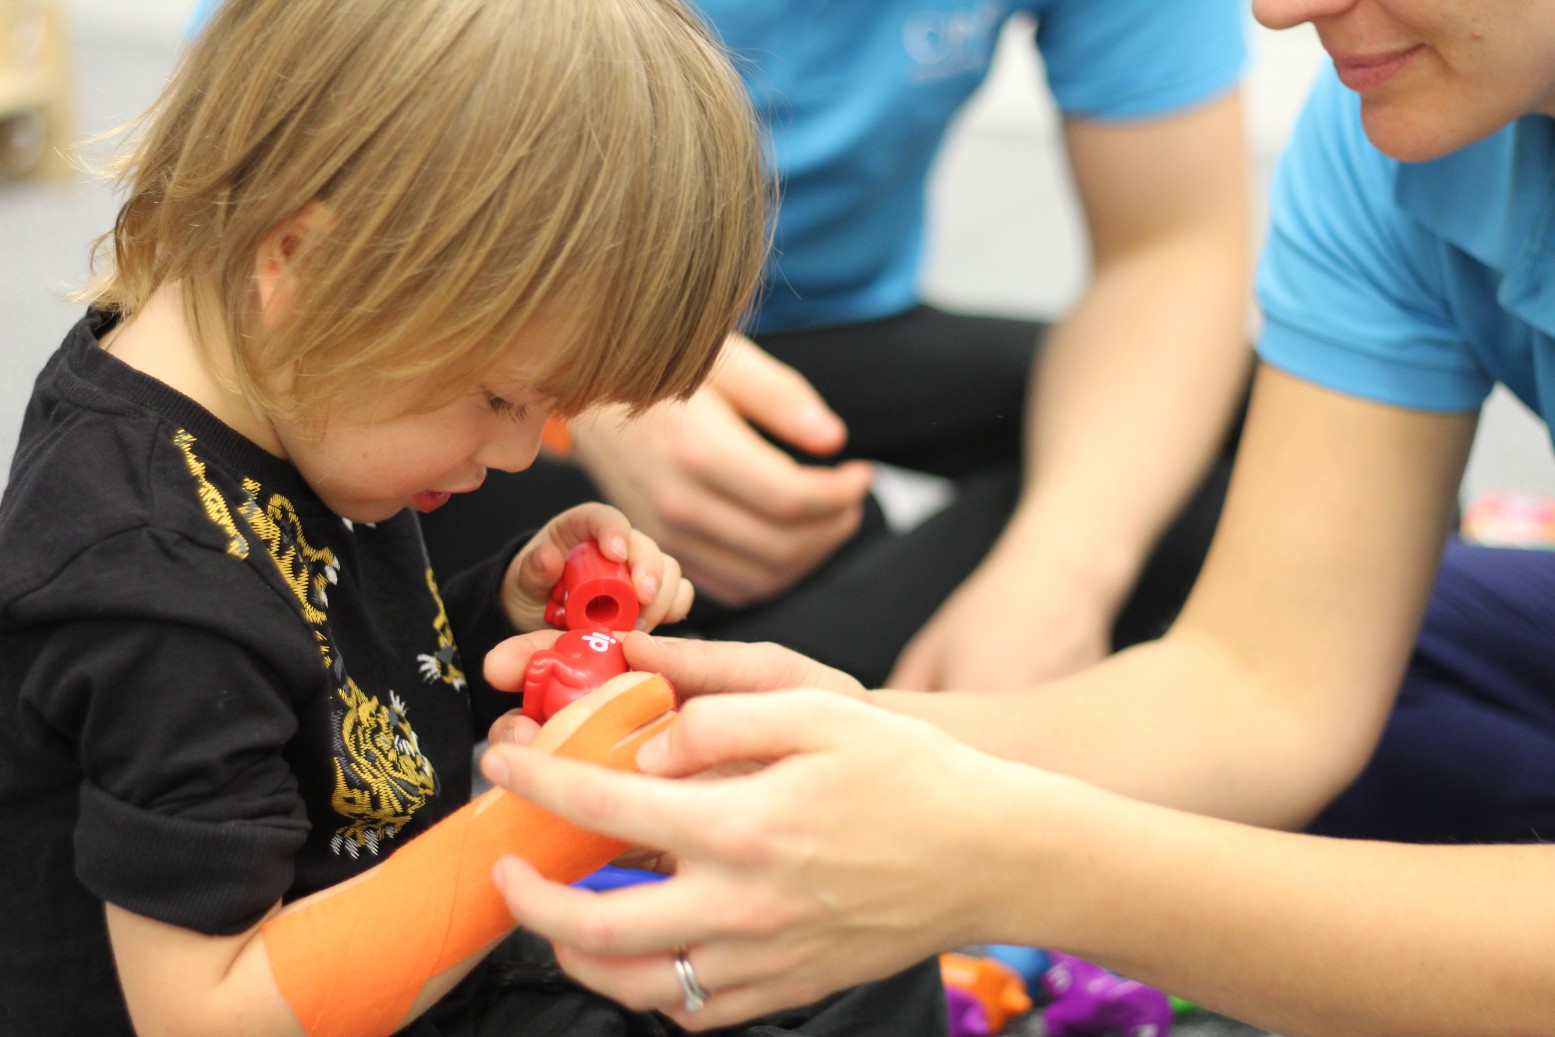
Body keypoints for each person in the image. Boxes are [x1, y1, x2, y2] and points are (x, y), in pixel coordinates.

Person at [471, 1, 1555, 1034]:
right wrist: (801, 745)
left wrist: (1018, 862)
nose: (1275, 14)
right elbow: (1264, 682)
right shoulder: (1381, 135)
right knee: (1393, 639)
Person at [0, 2, 945, 1035]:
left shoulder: (281, 409)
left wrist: (496, 610)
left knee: (856, 962)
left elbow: (307, 675)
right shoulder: (153, 582)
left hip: (419, 968)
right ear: (302, 266)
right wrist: (548, 822)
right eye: (500, 397)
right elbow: (209, 1012)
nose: (515, 448)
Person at [416, 0, 1255, 690]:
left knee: (1245, 435)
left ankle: (761, 692)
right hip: (528, 316)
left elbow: (1172, 250)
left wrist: (1058, 578)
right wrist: (593, 388)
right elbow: (356, 177)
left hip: (834, 338)